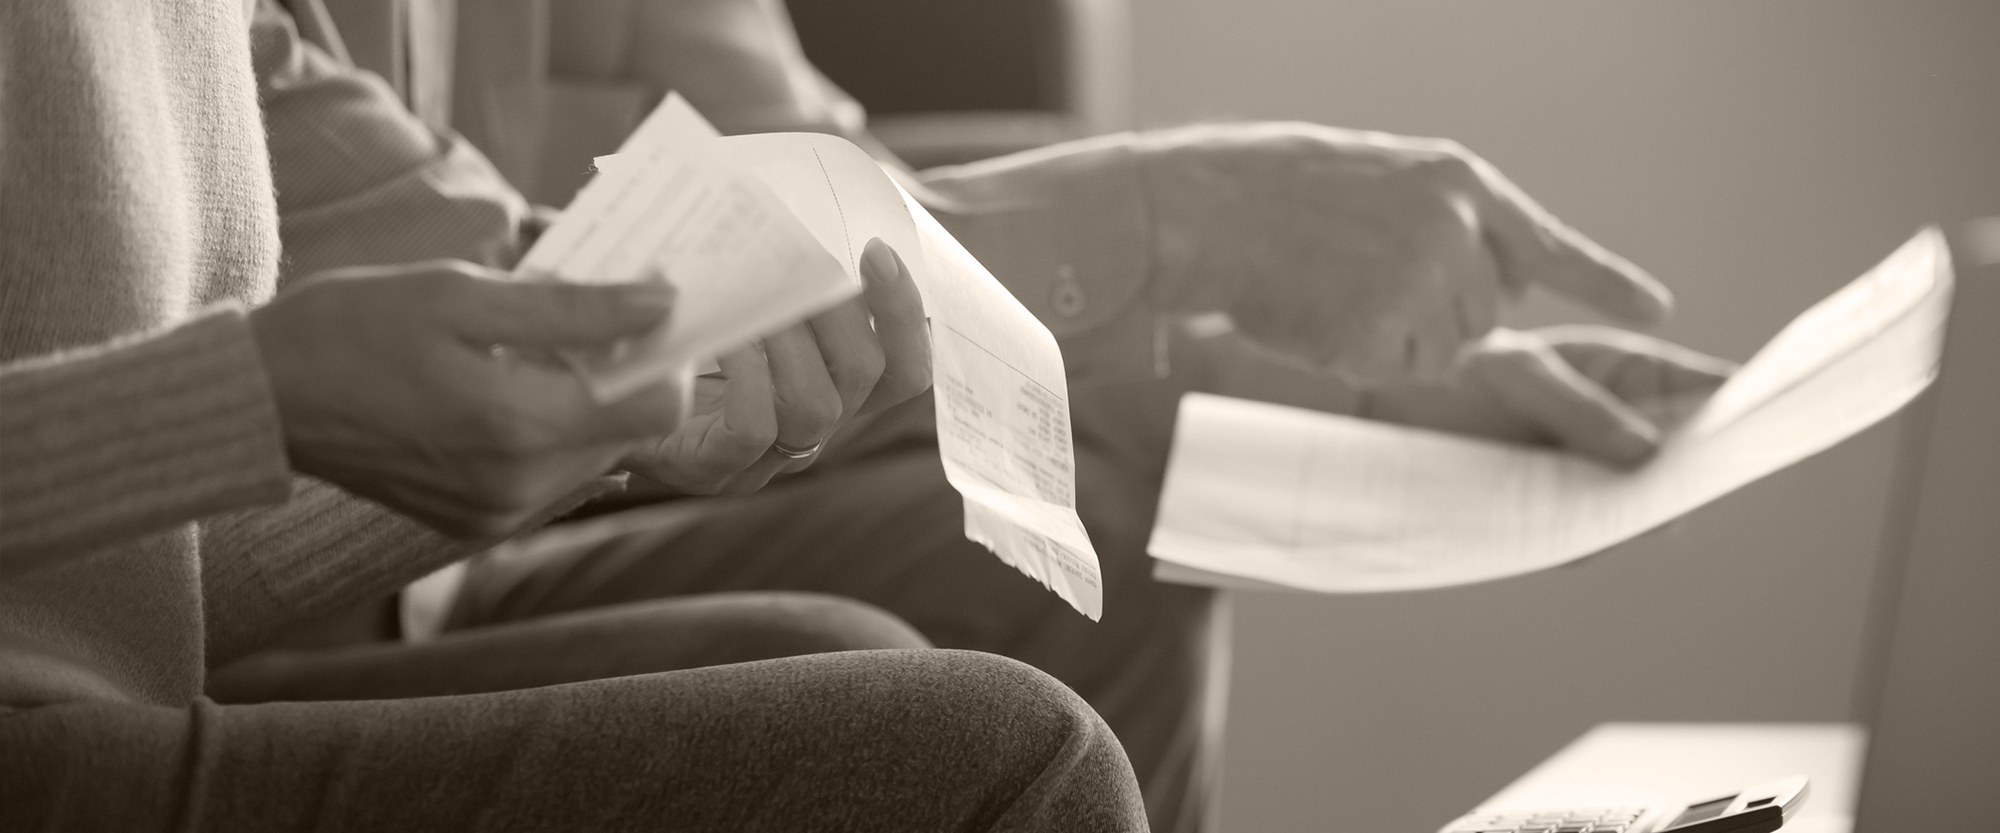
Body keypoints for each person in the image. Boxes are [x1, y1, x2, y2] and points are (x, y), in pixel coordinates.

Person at [209, 2, 1740, 833]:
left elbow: (839, 186)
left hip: (457, 562)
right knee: (892, 707)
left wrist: (1330, 360)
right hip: (251, 572)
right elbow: (478, 300)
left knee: (1114, 508)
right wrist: (1185, 215)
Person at [0, 2, 1152, 830]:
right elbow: (286, 379)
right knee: (1008, 762)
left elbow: (149, 562)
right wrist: (247, 404)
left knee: (882, 661)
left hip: (135, 685)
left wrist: (608, 428)